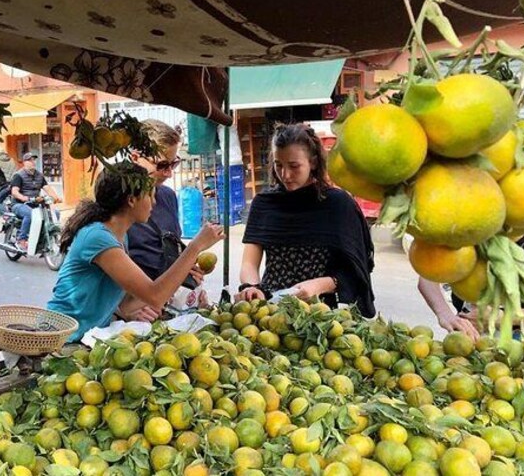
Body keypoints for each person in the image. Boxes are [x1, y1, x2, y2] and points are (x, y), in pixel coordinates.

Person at [47, 162, 224, 342]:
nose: (154, 203)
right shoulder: (98, 238)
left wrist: (133, 313)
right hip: (61, 338)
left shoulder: (120, 236)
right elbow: (154, 295)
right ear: (132, 200)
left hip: (87, 337)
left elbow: (125, 300)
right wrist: (195, 247)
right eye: (150, 196)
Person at [235, 123, 376, 317]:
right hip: (269, 312)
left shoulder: (338, 205)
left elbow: (357, 270)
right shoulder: (264, 203)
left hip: (319, 315)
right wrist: (251, 287)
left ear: (314, 162)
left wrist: (319, 285)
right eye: (278, 165)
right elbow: (249, 263)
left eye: (294, 166)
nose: (285, 174)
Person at [420, 215, 524, 340]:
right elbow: (427, 279)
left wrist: (501, 318)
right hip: (470, 340)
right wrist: (445, 315)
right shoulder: (482, 221)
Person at [119, 120, 205, 322]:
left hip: (165, 307)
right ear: (135, 158)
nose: (169, 172)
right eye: (162, 165)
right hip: (132, 314)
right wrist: (124, 308)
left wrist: (189, 273)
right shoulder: (117, 203)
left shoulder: (167, 196)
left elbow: (170, 251)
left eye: (173, 164)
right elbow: (105, 271)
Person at [10, 152, 62, 250]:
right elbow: (14, 192)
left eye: (34, 160)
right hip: (19, 204)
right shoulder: (18, 175)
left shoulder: (39, 175)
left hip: (35, 204)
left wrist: (56, 197)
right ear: (24, 162)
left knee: (55, 213)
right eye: (30, 160)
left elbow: (47, 188)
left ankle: (43, 236)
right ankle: (22, 239)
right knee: (31, 214)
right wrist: (24, 198)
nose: (33, 162)